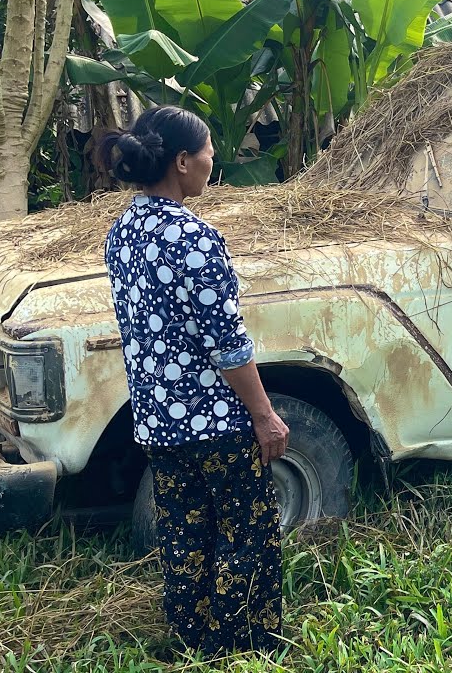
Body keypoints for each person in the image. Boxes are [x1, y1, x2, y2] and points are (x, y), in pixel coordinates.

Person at [100, 106, 289, 653]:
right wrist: (264, 415)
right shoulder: (195, 238)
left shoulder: (122, 232)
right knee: (246, 533)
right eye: (207, 151)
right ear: (182, 162)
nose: (213, 160)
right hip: (215, 422)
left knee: (184, 534)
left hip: (158, 420)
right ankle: (242, 646)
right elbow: (228, 346)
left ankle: (192, 637)